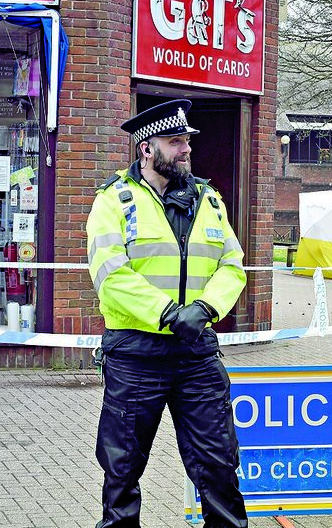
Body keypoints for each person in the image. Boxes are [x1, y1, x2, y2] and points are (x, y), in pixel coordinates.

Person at [86, 99, 248, 528]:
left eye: (187, 142)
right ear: (146, 149)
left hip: (196, 353)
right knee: (122, 470)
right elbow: (110, 275)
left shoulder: (209, 199)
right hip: (137, 353)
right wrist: (169, 314)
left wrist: (205, 308)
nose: (186, 150)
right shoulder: (113, 201)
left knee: (218, 465)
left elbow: (232, 265)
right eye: (175, 142)